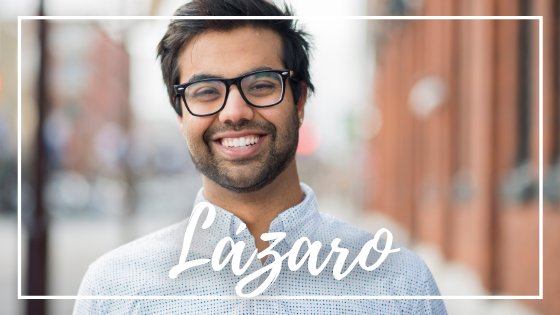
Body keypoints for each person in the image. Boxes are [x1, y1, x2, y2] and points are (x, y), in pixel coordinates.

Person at [74, 0, 447, 314]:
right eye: (206, 91)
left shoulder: (399, 287)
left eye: (262, 85)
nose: (234, 112)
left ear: (299, 100)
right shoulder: (115, 291)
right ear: (180, 114)